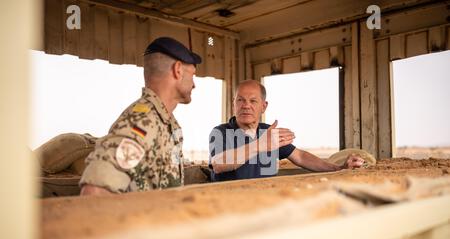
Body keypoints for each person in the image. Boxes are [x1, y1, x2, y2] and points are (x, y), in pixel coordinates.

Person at [79, 37, 201, 195]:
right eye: (193, 75)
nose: (194, 84)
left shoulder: (166, 122)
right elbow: (94, 190)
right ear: (178, 70)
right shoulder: (142, 122)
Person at [209, 80, 364, 182]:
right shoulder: (221, 132)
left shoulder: (269, 132)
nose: (246, 105)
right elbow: (218, 163)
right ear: (233, 104)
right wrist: (260, 145)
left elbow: (301, 157)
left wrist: (339, 169)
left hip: (265, 201)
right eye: (240, 100)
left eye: (253, 101)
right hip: (229, 204)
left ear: (264, 106)